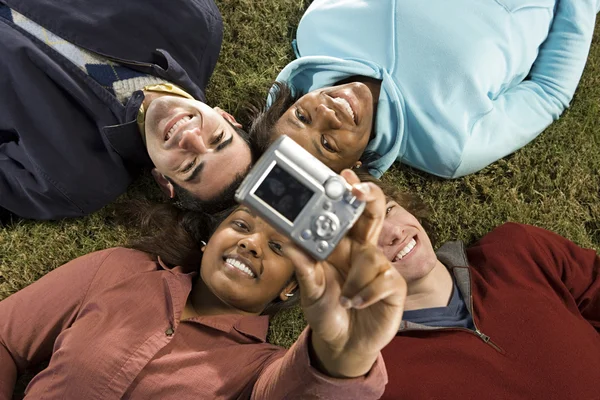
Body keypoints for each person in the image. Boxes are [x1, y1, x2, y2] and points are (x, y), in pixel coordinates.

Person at [0, 172, 407, 399]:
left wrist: (342, 353)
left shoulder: (263, 372)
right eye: (242, 225)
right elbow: (6, 339)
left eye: (280, 246)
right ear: (209, 240)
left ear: (289, 288)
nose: (250, 243)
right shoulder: (119, 269)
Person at [251, 0, 600, 179]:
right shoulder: (447, 148)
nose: (327, 114)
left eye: (301, 116)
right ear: (353, 166)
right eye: (326, 143)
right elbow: (548, 92)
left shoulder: (319, 30)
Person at [0, 0, 254, 220]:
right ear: (225, 116)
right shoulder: (193, 22)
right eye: (218, 138)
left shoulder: (73, 183)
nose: (190, 137)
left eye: (189, 166)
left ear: (163, 180)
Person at [355, 173, 600, 399]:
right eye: (366, 235)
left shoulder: (517, 248)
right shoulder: (377, 375)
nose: (394, 232)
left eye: (388, 210)